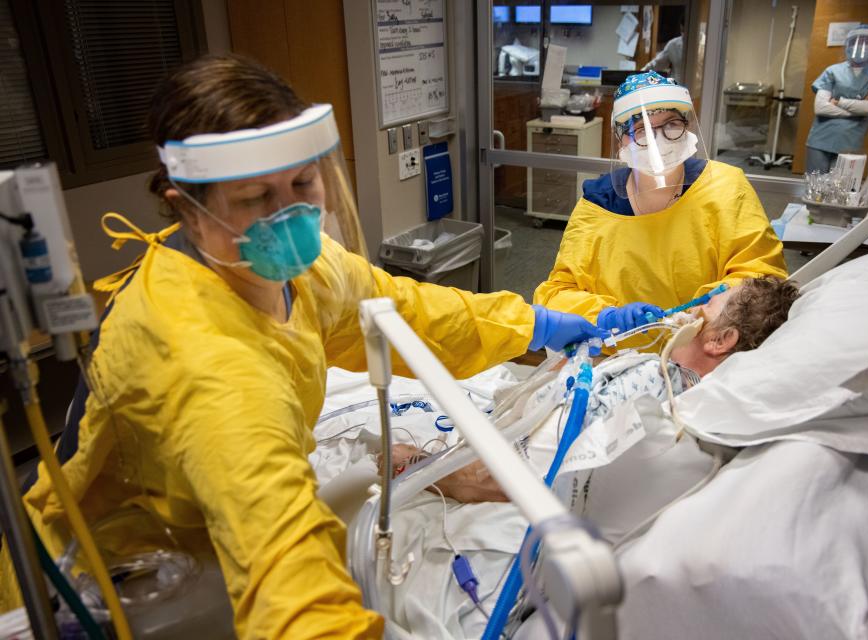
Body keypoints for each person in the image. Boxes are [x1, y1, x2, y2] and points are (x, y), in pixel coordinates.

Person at [0, 55, 605, 638]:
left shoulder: (287, 264)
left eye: (303, 182)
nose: (291, 214)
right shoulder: (205, 364)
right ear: (186, 209)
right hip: (126, 576)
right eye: (256, 199)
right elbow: (288, 581)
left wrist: (533, 324)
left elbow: (404, 311)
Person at [395, 275, 800, 505]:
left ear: (718, 341)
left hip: (513, 465)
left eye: (708, 307)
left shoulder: (658, 384)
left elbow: (554, 452)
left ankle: (407, 465)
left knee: (393, 456)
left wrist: (431, 468)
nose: (694, 308)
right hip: (518, 430)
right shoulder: (669, 380)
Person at [533, 72, 787, 344]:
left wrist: (703, 311)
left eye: (671, 125)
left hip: (703, 353)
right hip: (615, 356)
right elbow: (556, 295)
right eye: (641, 130)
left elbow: (764, 279)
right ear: (621, 140)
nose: (659, 142)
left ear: (686, 127)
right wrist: (607, 316)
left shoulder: (725, 187)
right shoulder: (597, 206)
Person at [805, 25, 868, 173]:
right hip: (820, 138)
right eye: (856, 41)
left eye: (866, 42)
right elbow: (821, 107)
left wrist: (839, 102)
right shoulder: (832, 71)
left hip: (851, 142)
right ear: (848, 45)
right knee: (814, 188)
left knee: (842, 190)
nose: (860, 46)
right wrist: (859, 109)